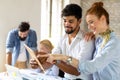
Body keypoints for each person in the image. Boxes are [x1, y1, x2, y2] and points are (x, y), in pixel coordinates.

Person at [41, 2, 120, 80]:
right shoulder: (98, 40)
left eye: (91, 22)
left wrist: (63, 57)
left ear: (103, 18)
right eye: (88, 23)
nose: (89, 27)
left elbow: (90, 67)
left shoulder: (113, 43)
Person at [30, 4, 95, 80]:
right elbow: (51, 59)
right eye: (65, 20)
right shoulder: (62, 39)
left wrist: (57, 60)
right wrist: (38, 63)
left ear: (79, 21)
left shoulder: (86, 40)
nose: (66, 24)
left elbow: (77, 71)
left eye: (70, 21)